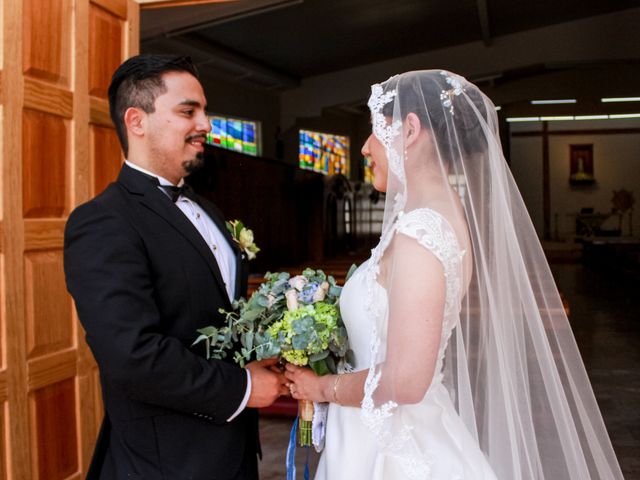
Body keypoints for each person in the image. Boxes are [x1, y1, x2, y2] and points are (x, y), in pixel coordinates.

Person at [285, 70, 624, 479]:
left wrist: (320, 388)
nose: (365, 147)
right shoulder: (427, 220)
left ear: (409, 129)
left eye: (376, 130)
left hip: (389, 450)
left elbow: (407, 380)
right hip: (370, 433)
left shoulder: (422, 232)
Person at [64, 54, 288, 480]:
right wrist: (241, 387)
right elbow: (133, 357)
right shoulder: (102, 222)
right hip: (166, 462)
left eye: (204, 111)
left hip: (233, 452)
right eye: (189, 111)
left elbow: (217, 318)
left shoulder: (210, 212)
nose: (205, 124)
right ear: (137, 121)